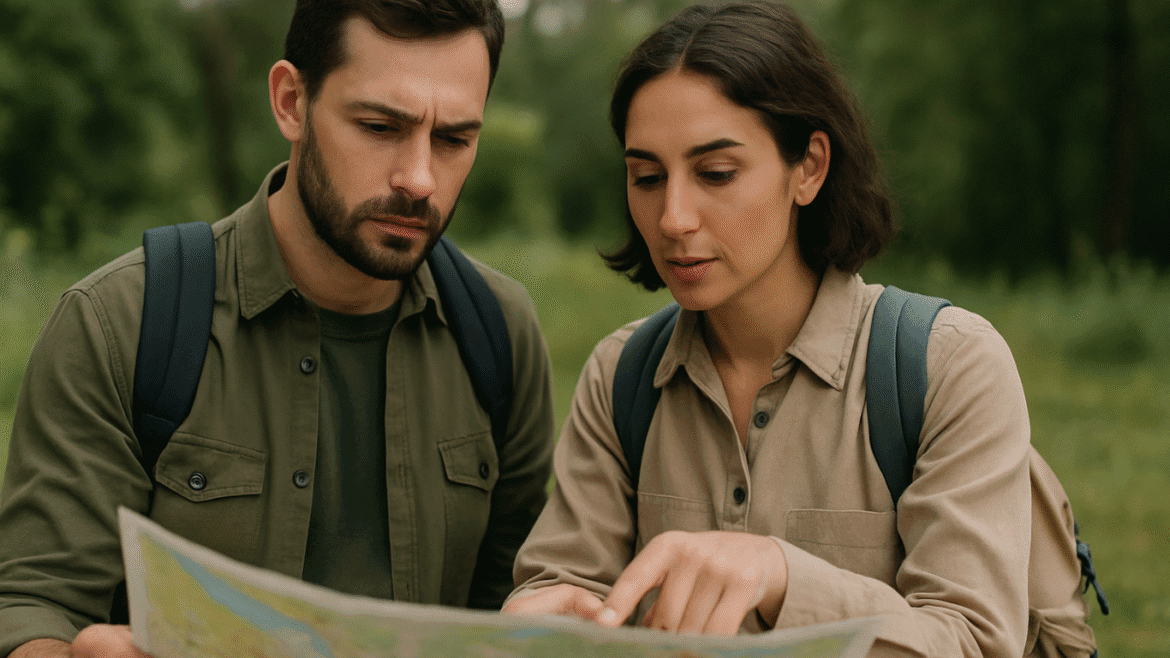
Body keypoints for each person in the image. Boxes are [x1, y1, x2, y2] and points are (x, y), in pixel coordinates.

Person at [502, 2, 1080, 656]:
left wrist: (782, 577)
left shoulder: (950, 365)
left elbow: (974, 640)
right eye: (647, 177)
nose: (673, 217)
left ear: (809, 167)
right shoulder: (622, 374)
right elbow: (562, 580)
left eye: (716, 173)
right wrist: (543, 615)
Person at [0, 1, 555, 657]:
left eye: (454, 139)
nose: (419, 178)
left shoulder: (499, 330)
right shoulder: (121, 322)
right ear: (292, 102)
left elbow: (509, 609)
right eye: (379, 126)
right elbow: (36, 603)